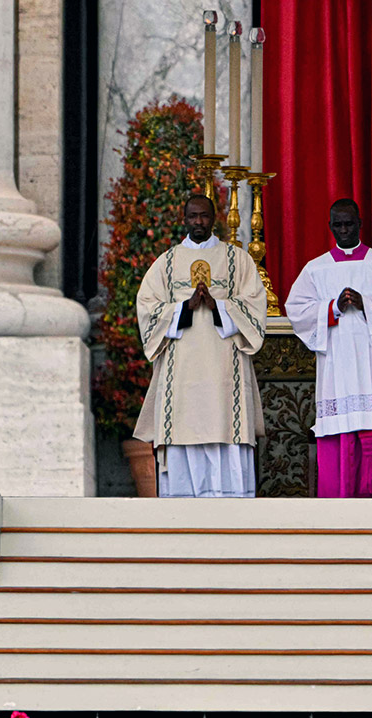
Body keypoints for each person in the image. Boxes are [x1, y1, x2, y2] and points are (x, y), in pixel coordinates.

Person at [285, 199, 372, 497]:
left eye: (349, 223)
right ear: (330, 226)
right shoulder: (316, 269)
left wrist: (367, 304)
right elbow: (296, 310)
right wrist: (332, 307)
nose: (344, 230)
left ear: (360, 223)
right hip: (339, 364)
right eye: (337, 225)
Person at [134, 194, 267, 497]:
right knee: (183, 432)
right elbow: (147, 307)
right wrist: (184, 308)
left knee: (226, 432)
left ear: (214, 218)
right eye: (193, 216)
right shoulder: (166, 264)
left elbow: (254, 305)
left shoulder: (237, 260)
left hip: (224, 372)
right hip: (181, 376)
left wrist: (219, 306)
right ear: (184, 219)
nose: (198, 222)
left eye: (204, 216)